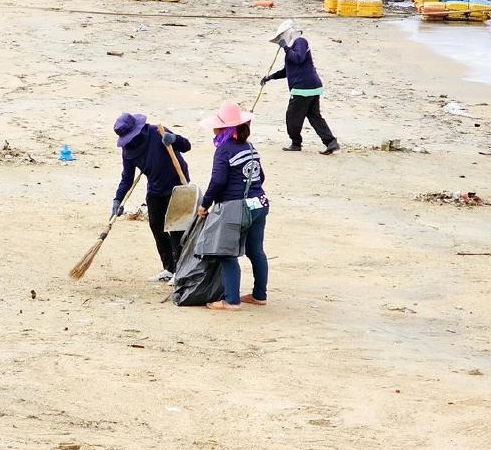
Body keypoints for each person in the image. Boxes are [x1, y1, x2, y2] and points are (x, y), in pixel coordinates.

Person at [197, 102, 269, 312]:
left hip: (236, 208)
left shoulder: (224, 150)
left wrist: (205, 203)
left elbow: (218, 181)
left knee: (226, 253)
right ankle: (259, 295)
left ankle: (231, 300)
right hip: (259, 203)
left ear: (223, 128)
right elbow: (261, 176)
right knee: (256, 252)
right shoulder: (250, 147)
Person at [112, 113, 192, 282]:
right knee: (157, 227)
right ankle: (169, 268)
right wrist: (118, 199)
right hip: (155, 189)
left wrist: (174, 139)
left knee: (176, 229)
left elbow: (186, 146)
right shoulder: (128, 151)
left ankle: (181, 271)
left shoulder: (158, 132)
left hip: (177, 184)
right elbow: (127, 178)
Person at [261, 20, 339, 155]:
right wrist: (271, 77)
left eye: (282, 35)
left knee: (292, 116)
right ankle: (330, 142)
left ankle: (296, 143)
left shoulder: (300, 42)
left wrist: (285, 48)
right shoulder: (294, 46)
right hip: (311, 86)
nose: (281, 38)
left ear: (288, 32)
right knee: (314, 116)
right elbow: (287, 70)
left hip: (303, 87)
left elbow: (298, 58)